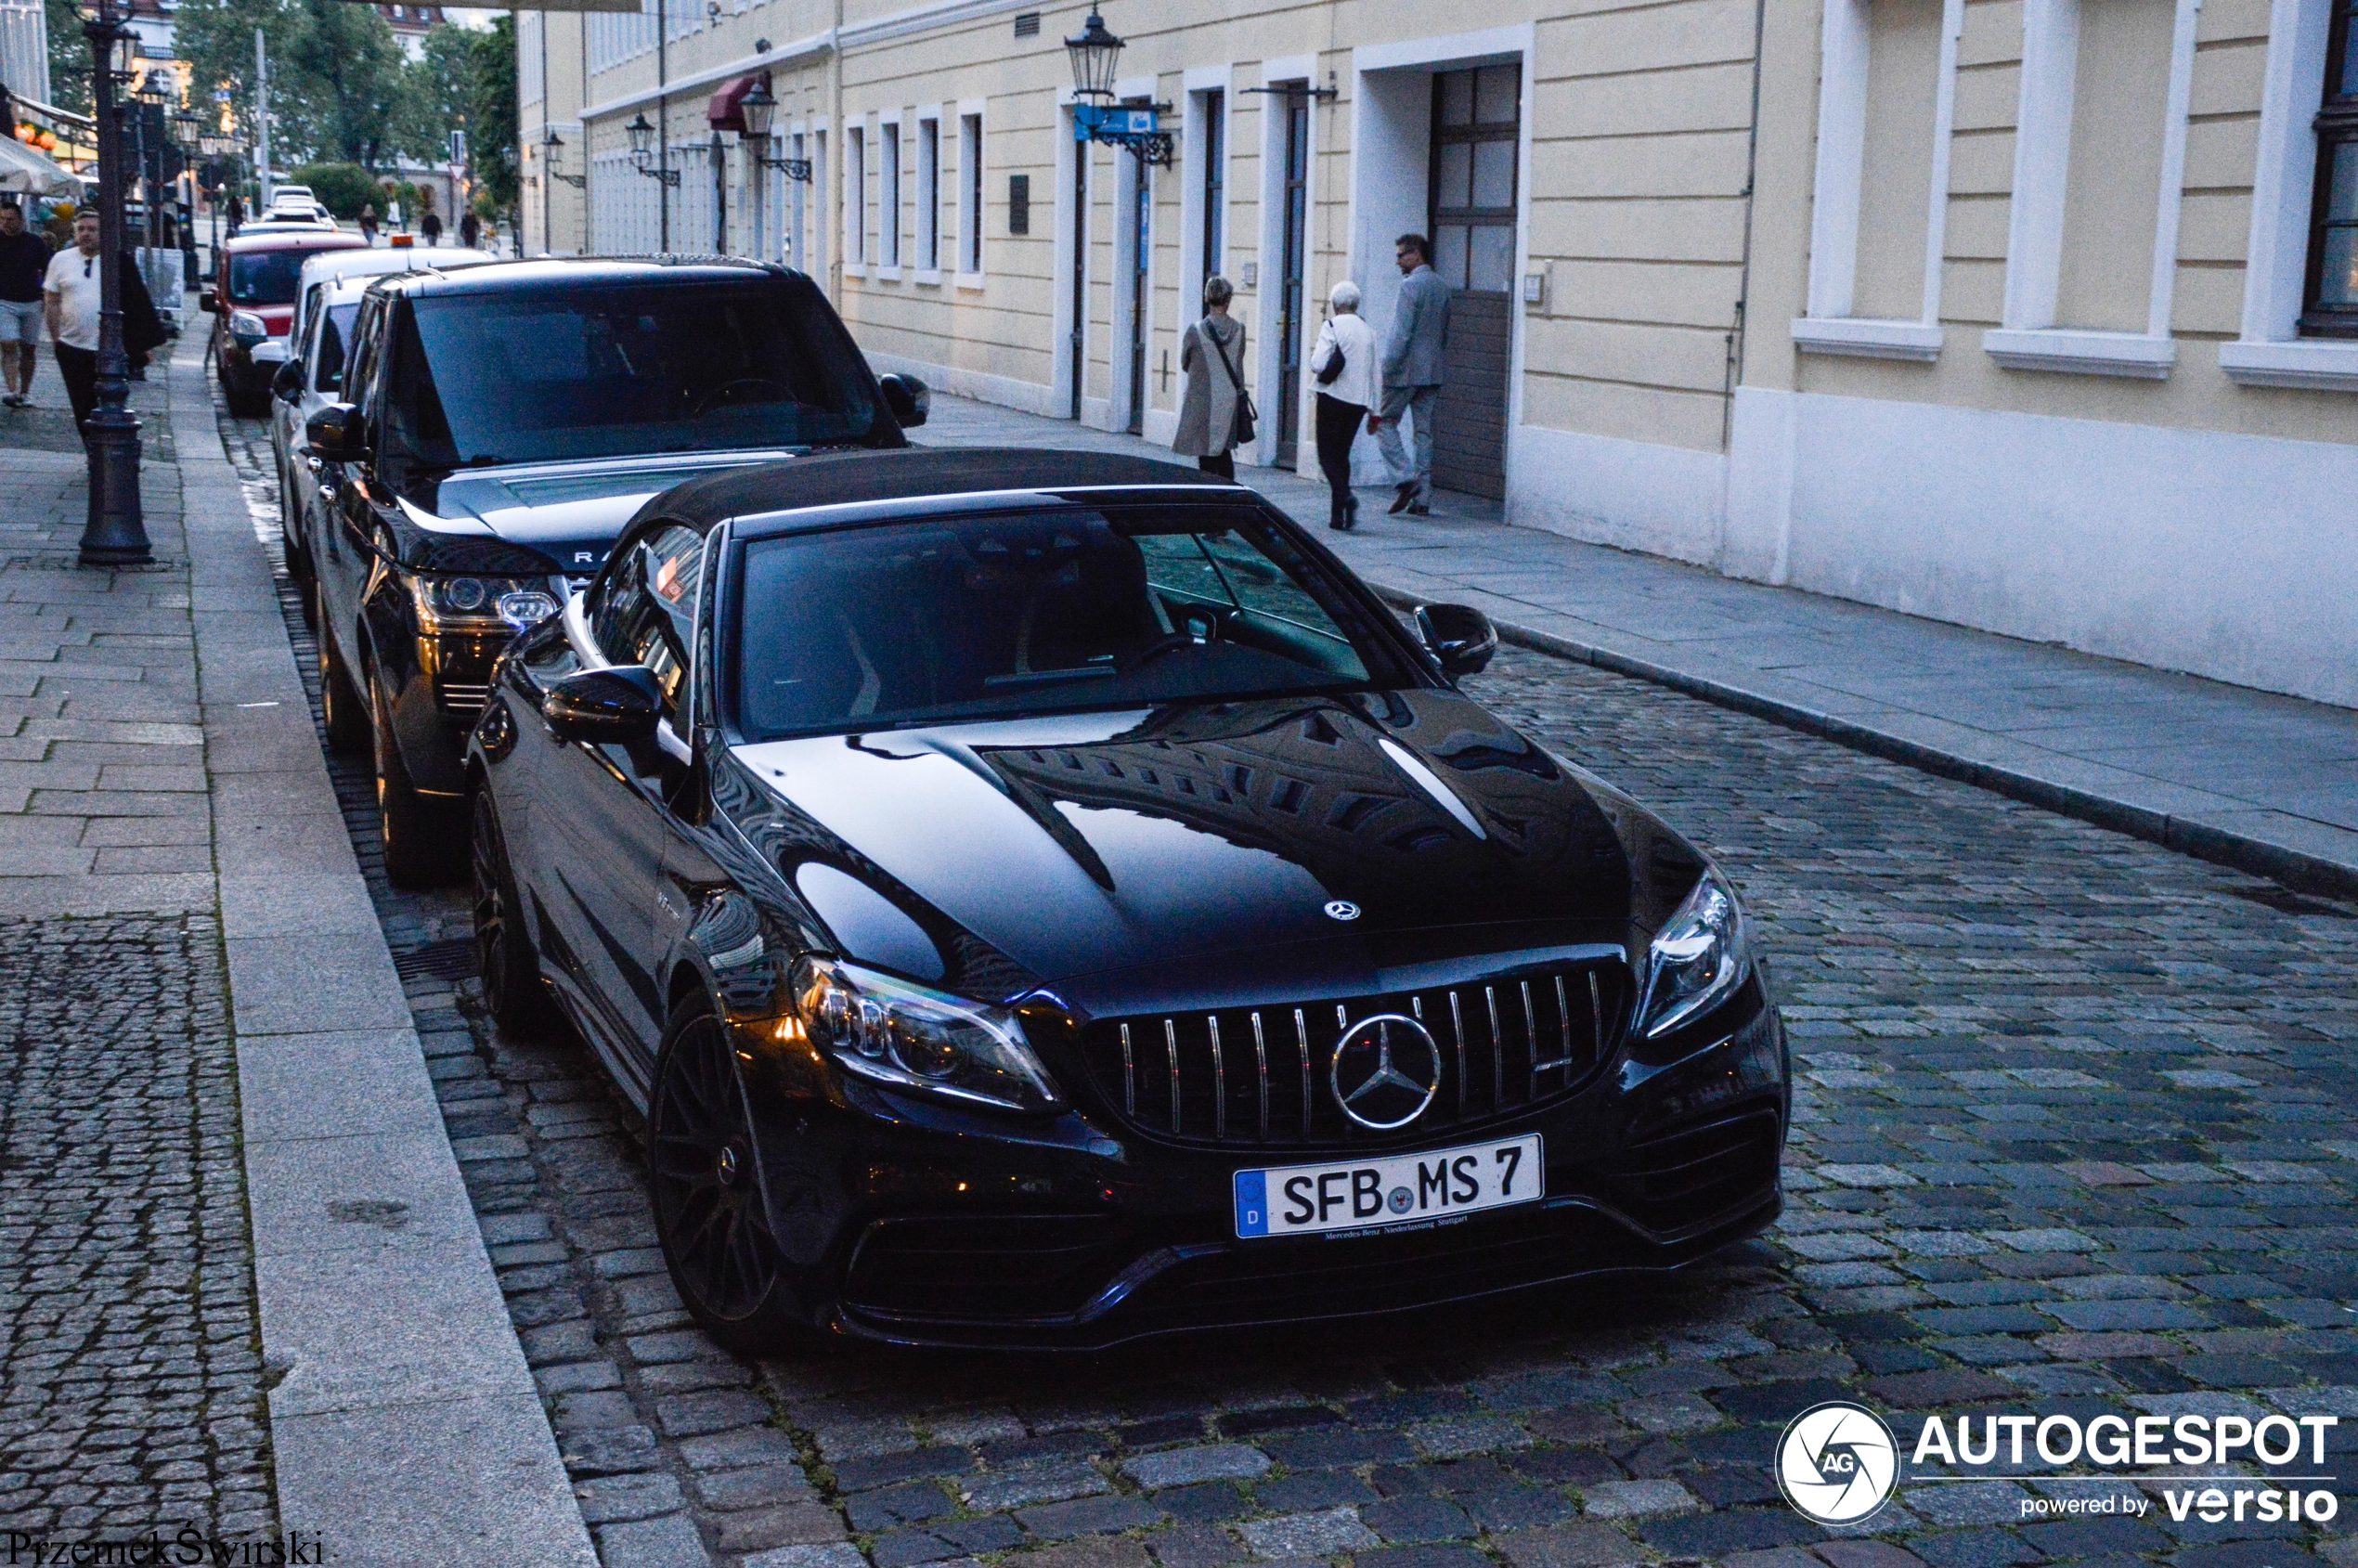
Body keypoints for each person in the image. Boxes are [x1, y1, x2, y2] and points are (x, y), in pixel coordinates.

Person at [1369, 232, 1450, 515]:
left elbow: (1401, 333)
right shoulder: (1442, 286)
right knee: (1424, 433)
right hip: (1433, 370)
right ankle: (1424, 499)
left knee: (1384, 422)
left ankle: (1405, 479)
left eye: (1401, 255)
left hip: (1405, 371)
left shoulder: (1410, 287)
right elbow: (1443, 331)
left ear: (1416, 255)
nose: (1397, 261)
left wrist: (1387, 367)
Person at [1308, 279, 1379, 531]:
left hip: (1332, 397)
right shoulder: (1369, 331)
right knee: (1342, 456)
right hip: (1358, 403)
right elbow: (1375, 374)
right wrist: (1375, 412)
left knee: (1327, 456)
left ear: (1335, 305)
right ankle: (1338, 517)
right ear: (1355, 304)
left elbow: (1317, 364)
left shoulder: (1331, 326)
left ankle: (1345, 496)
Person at [1173, 276, 1248, 479]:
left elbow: (1184, 363)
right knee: (1225, 454)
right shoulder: (1240, 331)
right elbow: (1238, 360)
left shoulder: (1195, 331)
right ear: (1228, 300)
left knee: (1205, 456)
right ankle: (1228, 495)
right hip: (1229, 401)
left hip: (1203, 400)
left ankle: (1209, 496)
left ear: (1207, 298)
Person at [44, 212, 104, 433]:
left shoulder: (114, 261)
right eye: (81, 229)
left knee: (109, 403)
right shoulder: (61, 260)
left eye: (92, 229)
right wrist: (55, 339)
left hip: (108, 347)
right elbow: (51, 300)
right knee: (81, 404)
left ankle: (105, 452)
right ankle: (92, 451)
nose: (86, 234)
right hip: (73, 345)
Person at [0, 200, 53, 408]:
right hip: (3, 300)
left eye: (10, 219)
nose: (6, 223)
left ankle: (24, 392)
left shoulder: (34, 243)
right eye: (2, 219)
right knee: (8, 343)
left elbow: (49, 268)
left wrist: (48, 294)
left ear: (21, 220)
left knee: (29, 349)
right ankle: (11, 390)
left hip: (31, 301)